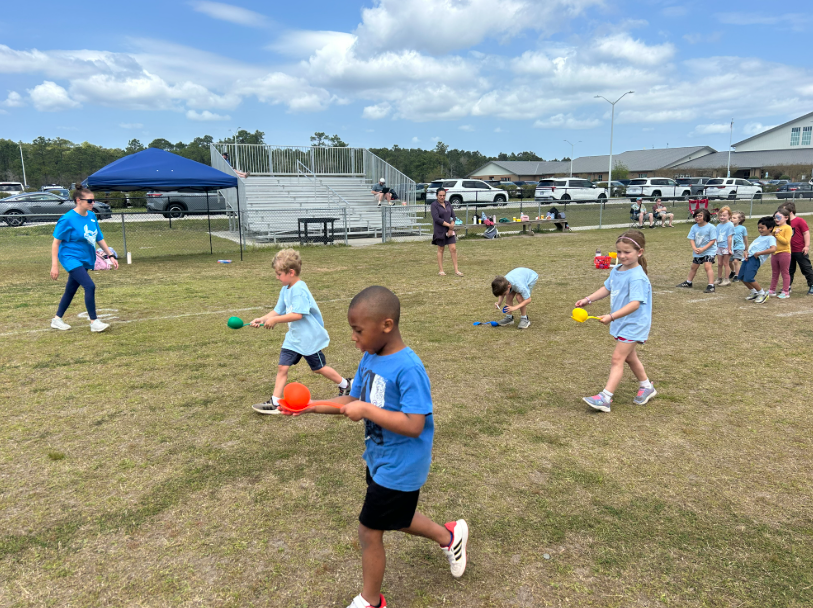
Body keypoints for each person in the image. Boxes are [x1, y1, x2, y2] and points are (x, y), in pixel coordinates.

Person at [279, 286, 469, 608]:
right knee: (398, 515)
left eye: (357, 330)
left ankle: (370, 601)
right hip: (379, 458)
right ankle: (449, 537)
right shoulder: (369, 358)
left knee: (369, 531)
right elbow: (354, 398)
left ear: (386, 325)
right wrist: (313, 406)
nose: (353, 338)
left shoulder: (409, 368)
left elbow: (414, 424)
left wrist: (367, 410)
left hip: (403, 464)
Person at [250, 249, 352, 414]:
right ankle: (275, 402)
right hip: (294, 338)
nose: (276, 277)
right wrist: (262, 318)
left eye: (279, 274)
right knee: (282, 367)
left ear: (291, 272)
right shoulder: (286, 288)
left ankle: (346, 385)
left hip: (308, 339)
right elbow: (278, 310)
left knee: (318, 368)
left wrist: (275, 321)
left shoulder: (299, 289)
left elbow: (297, 314)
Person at [576, 230, 654, 413]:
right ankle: (646, 386)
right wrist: (588, 300)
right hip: (622, 322)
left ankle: (605, 397)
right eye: (619, 252)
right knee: (629, 357)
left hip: (634, 323)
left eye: (627, 252)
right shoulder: (617, 270)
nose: (622, 256)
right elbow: (607, 288)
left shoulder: (637, 277)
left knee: (617, 358)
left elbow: (635, 304)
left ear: (639, 252)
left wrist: (611, 317)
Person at [50, 187, 119, 333]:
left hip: (85, 257)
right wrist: (54, 265)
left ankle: (57, 319)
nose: (92, 203)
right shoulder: (67, 219)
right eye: (89, 200)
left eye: (93, 200)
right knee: (89, 285)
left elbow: (98, 237)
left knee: (71, 289)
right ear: (78, 201)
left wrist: (110, 255)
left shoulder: (92, 216)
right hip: (70, 258)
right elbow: (56, 243)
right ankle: (94, 322)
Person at [676, 208, 717, 293]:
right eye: (696, 216)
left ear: (705, 216)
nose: (697, 218)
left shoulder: (711, 227)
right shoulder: (694, 227)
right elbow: (691, 239)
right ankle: (688, 282)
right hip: (698, 251)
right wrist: (695, 248)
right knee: (694, 267)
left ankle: (711, 285)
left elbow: (713, 240)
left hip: (709, 250)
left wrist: (703, 249)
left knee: (707, 266)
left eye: (700, 216)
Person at [739, 216, 777, 304]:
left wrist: (759, 253)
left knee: (749, 277)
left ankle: (762, 294)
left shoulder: (770, 238)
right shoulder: (760, 237)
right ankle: (754, 292)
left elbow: (773, 249)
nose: (760, 230)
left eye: (762, 228)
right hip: (748, 258)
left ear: (770, 228)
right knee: (741, 277)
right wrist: (746, 253)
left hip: (755, 260)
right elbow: (752, 248)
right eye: (759, 227)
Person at [779, 201, 813, 295]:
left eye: (783, 211)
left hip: (799, 250)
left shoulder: (799, 221)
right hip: (787, 251)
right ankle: (787, 286)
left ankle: (812, 285)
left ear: (790, 212)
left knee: (806, 268)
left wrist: (806, 246)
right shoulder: (783, 223)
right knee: (788, 269)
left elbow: (806, 233)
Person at [430, 188, 463, 276]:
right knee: (441, 249)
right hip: (440, 230)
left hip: (449, 230)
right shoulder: (434, 205)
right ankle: (441, 270)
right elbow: (437, 219)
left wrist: (451, 227)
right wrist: (449, 225)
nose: (442, 197)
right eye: (440, 195)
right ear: (437, 195)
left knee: (453, 249)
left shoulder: (448, 204)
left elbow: (453, 216)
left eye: (443, 195)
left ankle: (456, 270)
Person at [769, 207, 793, 299]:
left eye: (778, 217)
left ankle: (785, 291)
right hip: (775, 253)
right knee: (775, 273)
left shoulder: (788, 228)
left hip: (784, 253)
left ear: (786, 218)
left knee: (785, 272)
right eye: (775, 218)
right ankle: (772, 290)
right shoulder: (775, 228)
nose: (776, 219)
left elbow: (786, 241)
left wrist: (777, 234)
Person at [714, 206, 734, 286]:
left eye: (724, 215)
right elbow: (716, 237)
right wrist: (715, 247)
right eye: (721, 215)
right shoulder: (718, 226)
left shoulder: (730, 225)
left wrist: (729, 249)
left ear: (729, 216)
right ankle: (719, 278)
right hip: (719, 246)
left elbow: (729, 237)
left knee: (726, 263)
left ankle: (726, 279)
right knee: (719, 263)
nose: (722, 217)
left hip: (726, 246)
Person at [729, 211, 748, 282]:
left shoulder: (742, 228)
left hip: (739, 247)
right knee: (729, 262)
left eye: (734, 218)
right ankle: (733, 271)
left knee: (736, 261)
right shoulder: (729, 227)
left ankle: (737, 275)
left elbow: (745, 238)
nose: (732, 219)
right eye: (731, 218)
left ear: (739, 220)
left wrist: (746, 247)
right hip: (730, 247)